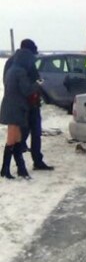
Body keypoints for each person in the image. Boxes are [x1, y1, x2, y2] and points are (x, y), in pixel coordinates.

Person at [3, 39, 54, 171]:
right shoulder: (13, 63)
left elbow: (35, 78)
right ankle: (19, 165)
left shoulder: (28, 61)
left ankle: (37, 161)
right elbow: (10, 84)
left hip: (33, 103)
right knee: (21, 135)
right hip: (21, 105)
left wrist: (37, 92)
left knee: (36, 133)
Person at [1, 47, 41, 179]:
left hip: (10, 106)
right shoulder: (20, 72)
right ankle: (5, 169)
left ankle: (21, 169)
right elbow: (27, 90)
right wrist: (38, 84)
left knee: (17, 139)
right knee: (12, 139)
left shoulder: (11, 70)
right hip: (16, 108)